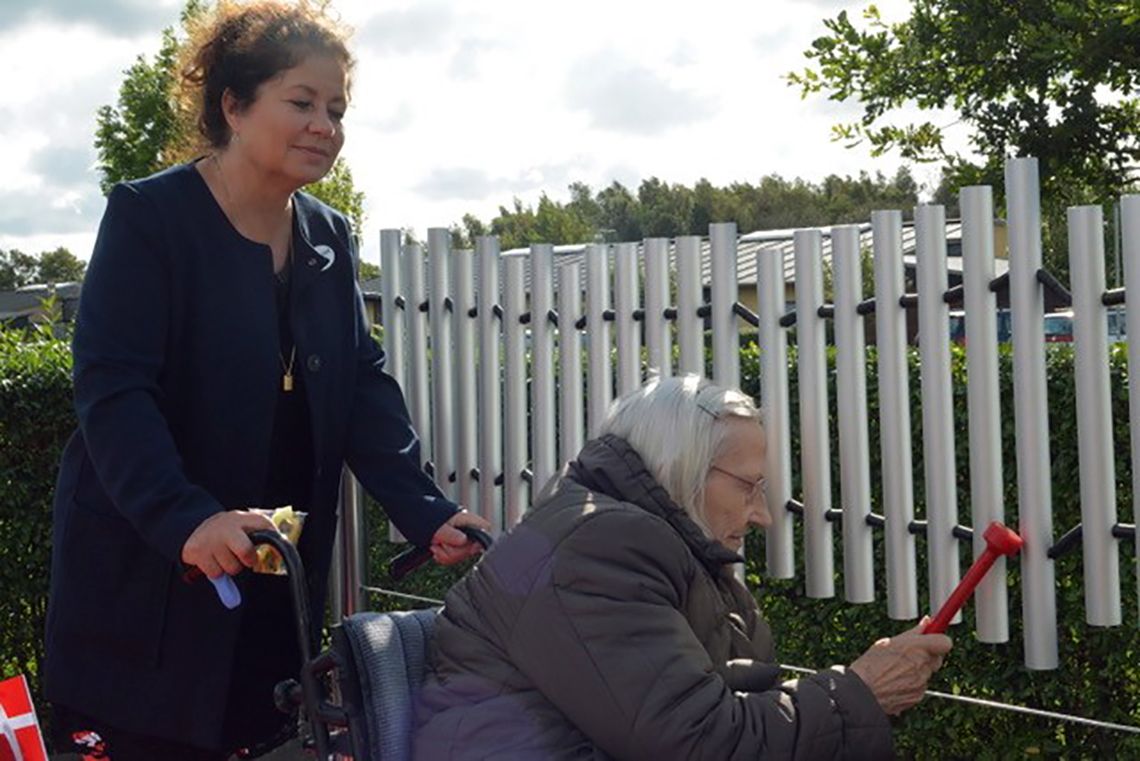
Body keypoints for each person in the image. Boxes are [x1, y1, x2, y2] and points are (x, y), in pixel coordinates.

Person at [43, 3, 489, 759]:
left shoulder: (328, 236)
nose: (326, 124)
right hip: (154, 587)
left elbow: (361, 381)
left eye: (337, 109)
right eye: (302, 101)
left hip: (271, 586)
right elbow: (113, 392)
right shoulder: (148, 217)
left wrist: (424, 509)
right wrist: (187, 519)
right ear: (234, 106)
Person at [414, 375, 952, 760]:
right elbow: (699, 740)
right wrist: (859, 692)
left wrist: (861, 688)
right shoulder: (599, 546)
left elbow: (730, 693)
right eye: (748, 485)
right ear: (681, 469)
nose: (763, 514)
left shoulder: (626, 535)